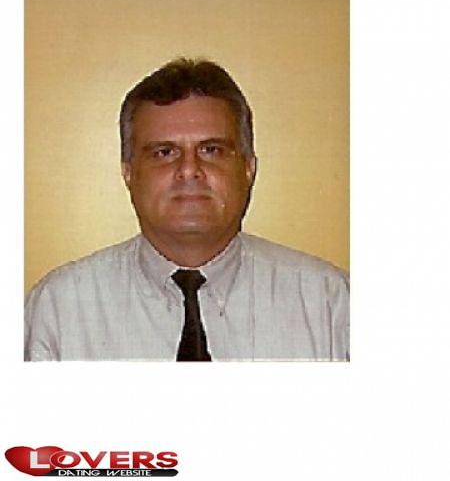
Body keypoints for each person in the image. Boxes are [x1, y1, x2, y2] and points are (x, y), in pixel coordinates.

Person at [25, 58, 349, 361]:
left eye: (212, 150)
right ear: (128, 172)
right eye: (164, 153)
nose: (189, 169)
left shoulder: (330, 304)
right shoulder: (59, 310)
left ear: (248, 168)